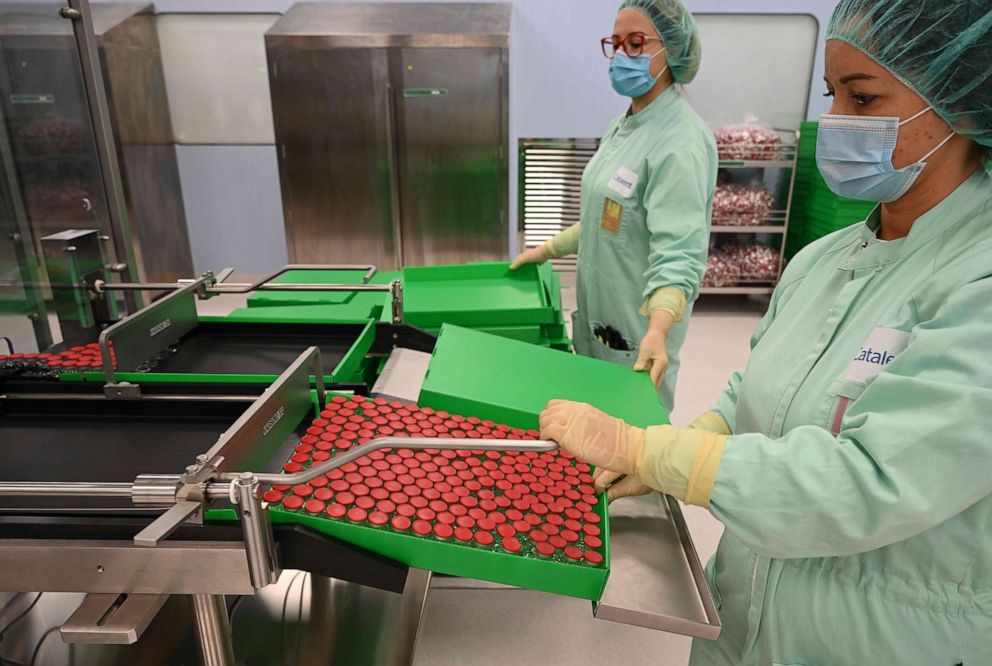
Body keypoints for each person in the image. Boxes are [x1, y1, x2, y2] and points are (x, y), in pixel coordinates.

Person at [540, 0, 992, 663]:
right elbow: (756, 392)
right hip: (744, 613)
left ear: (963, 106)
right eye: (831, 94)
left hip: (875, 638)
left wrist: (652, 451)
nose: (834, 121)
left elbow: (865, 484)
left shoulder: (975, 283)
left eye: (862, 99)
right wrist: (692, 441)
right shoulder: (822, 261)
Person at [510, 0, 716, 413]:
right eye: (616, 44)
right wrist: (548, 250)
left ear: (670, 51)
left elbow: (680, 255)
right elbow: (605, 219)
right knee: (592, 433)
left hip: (637, 333)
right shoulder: (623, 126)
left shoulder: (680, 143)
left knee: (629, 444)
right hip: (599, 319)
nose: (622, 56)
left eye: (636, 44)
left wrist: (657, 330)